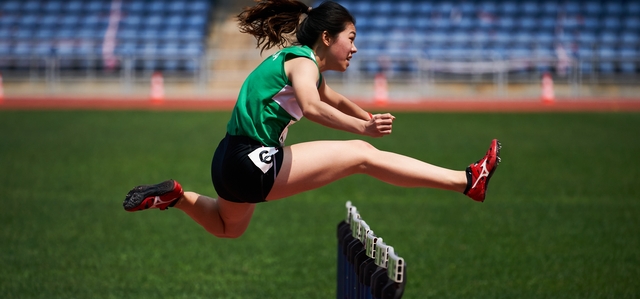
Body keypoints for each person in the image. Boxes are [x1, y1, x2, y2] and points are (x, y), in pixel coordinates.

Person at [123, 0, 501, 239]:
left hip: (226, 161)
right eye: (350, 38)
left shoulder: (294, 60)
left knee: (227, 228)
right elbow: (314, 106)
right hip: (252, 161)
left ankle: (176, 196)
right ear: (326, 36)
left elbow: (326, 95)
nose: (354, 47)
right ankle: (466, 181)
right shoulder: (303, 61)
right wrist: (363, 129)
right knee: (360, 153)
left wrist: (364, 114)